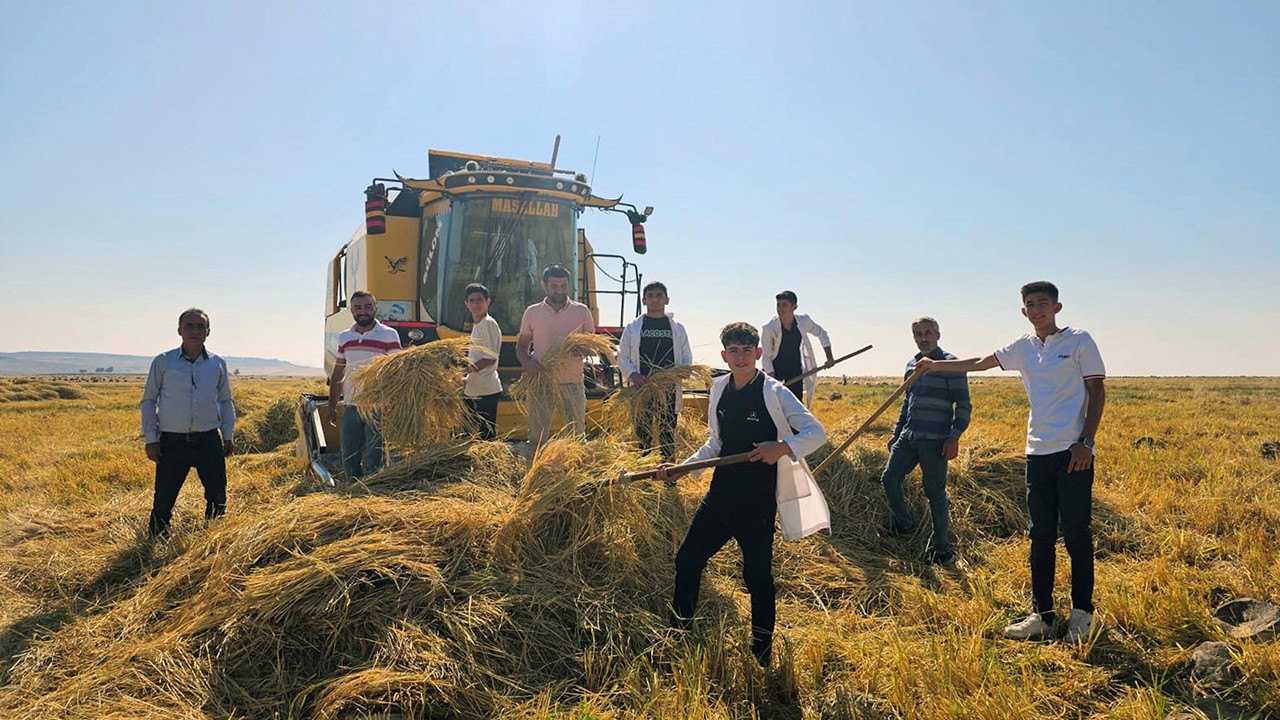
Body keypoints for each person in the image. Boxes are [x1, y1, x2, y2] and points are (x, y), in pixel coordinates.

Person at [915, 281, 1105, 643]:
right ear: (1024, 311)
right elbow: (981, 363)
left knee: (1077, 535)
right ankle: (1044, 614)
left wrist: (1086, 442)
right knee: (1040, 536)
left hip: (1073, 453)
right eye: (1030, 305)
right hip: (1037, 453)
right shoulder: (1023, 347)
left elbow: (1097, 390)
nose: (1037, 310)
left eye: (1043, 303)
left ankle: (1083, 614)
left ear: (1057, 307)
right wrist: (936, 365)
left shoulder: (1079, 340)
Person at [657, 322, 829, 667]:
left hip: (757, 503)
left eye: (746, 351)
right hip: (720, 496)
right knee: (687, 560)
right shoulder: (718, 389)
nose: (740, 357)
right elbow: (715, 443)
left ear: (758, 354)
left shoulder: (774, 392)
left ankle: (762, 652)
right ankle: (679, 636)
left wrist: (781, 447)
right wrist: (685, 467)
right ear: (724, 355)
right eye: (733, 351)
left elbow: (816, 432)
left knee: (757, 576)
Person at [879, 317, 972, 567]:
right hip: (909, 437)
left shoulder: (950, 364)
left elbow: (963, 404)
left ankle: (942, 550)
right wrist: (897, 432)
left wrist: (954, 437)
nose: (924, 338)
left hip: (935, 441)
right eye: (919, 334)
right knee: (889, 478)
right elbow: (906, 402)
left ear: (938, 335)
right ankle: (905, 524)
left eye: (928, 333)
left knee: (935, 494)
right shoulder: (912, 365)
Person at [140, 308, 236, 538]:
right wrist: (151, 439)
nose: (195, 330)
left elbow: (225, 400)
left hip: (208, 440)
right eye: (190, 326)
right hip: (172, 442)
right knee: (163, 500)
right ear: (179, 331)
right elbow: (149, 401)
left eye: (200, 326)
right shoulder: (164, 362)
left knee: (217, 497)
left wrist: (229, 434)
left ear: (208, 332)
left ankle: (212, 542)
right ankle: (154, 545)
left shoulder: (217, 364)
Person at [516, 265, 596, 448]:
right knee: (537, 436)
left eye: (563, 286)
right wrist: (527, 363)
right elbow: (521, 346)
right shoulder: (532, 312)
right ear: (544, 285)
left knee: (576, 436)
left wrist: (581, 350)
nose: (559, 290)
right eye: (554, 286)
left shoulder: (581, 311)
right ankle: (538, 471)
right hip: (540, 382)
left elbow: (591, 346)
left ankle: (575, 472)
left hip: (572, 382)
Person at [327, 291, 402, 479]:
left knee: (375, 457)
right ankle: (352, 493)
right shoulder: (345, 337)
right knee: (349, 456)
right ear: (351, 310)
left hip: (376, 406)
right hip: (351, 405)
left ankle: (374, 495)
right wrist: (332, 405)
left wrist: (392, 402)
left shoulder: (388, 335)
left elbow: (397, 372)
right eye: (358, 308)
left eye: (367, 307)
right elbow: (338, 372)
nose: (363, 311)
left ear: (375, 308)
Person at [617, 281, 693, 462]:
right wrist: (633, 375)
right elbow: (622, 355)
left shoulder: (677, 328)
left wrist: (682, 372)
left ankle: (669, 476)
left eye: (659, 295)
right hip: (642, 388)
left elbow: (686, 356)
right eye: (650, 296)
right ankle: (645, 474)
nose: (655, 300)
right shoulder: (633, 327)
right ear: (644, 301)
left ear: (667, 300)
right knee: (643, 431)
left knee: (667, 431)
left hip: (668, 388)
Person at [761, 290, 835, 406]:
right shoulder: (769, 328)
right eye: (778, 305)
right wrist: (772, 380)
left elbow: (822, 334)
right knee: (775, 407)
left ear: (794, 307)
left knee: (796, 406)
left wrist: (829, 358)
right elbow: (766, 356)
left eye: (784, 305)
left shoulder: (804, 321)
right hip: (775, 371)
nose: (780, 309)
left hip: (795, 370)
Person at [462, 283, 503, 440]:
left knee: (485, 437)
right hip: (474, 388)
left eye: (479, 300)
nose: (476, 304)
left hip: (486, 390)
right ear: (466, 304)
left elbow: (490, 358)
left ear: (488, 302)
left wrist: (465, 371)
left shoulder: (488, 323)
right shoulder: (478, 324)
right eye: (472, 300)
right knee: (470, 435)